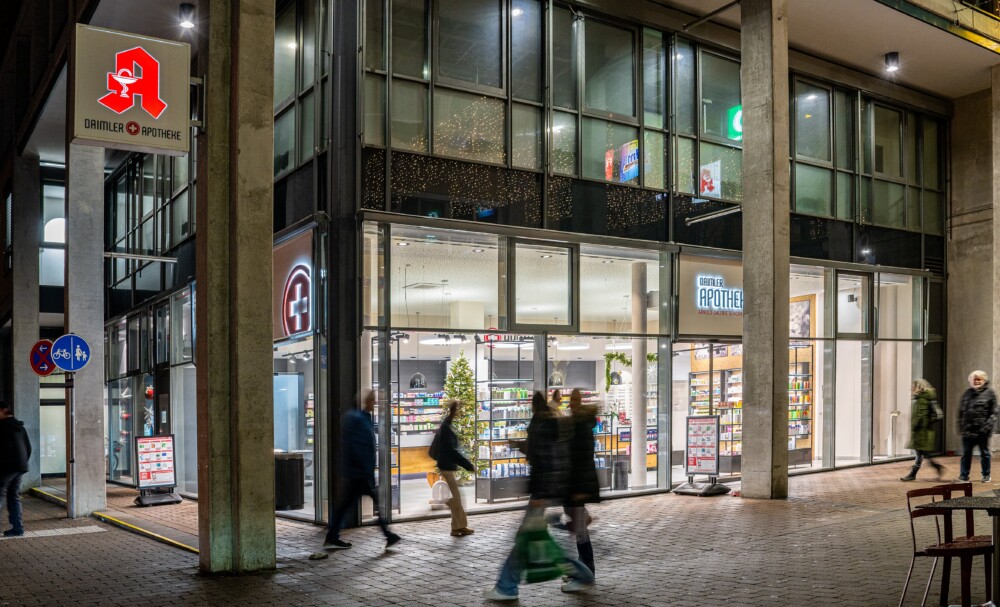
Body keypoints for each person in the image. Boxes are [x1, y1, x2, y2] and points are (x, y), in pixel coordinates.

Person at [485, 392, 594, 602]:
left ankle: (507, 586)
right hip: (554, 492)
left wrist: (541, 494)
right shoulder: (554, 424)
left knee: (526, 538)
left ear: (533, 406)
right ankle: (582, 574)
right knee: (532, 539)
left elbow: (546, 461)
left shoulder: (542, 426)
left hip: (543, 493)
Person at [324, 390, 401, 550]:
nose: (375, 403)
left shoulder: (362, 418)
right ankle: (388, 534)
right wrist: (365, 468)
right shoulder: (357, 418)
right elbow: (357, 446)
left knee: (345, 505)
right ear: (365, 401)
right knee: (371, 503)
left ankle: (333, 535)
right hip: (359, 472)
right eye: (372, 400)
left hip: (358, 472)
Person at [565, 389, 599, 575]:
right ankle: (583, 565)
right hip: (575, 482)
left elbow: (582, 457)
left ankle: (587, 569)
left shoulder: (580, 426)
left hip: (578, 483)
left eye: (574, 401)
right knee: (578, 526)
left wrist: (580, 488)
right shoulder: (579, 423)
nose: (571, 404)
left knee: (579, 529)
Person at [431, 399, 475, 537]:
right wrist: (467, 465)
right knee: (457, 499)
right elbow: (452, 452)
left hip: (446, 465)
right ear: (453, 411)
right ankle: (456, 522)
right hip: (447, 466)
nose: (458, 413)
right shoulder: (446, 429)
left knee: (457, 498)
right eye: (457, 410)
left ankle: (457, 527)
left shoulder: (446, 425)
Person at [958, 370, 999, 483]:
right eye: (974, 379)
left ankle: (986, 475)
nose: (976, 381)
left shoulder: (990, 393)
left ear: (984, 380)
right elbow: (961, 411)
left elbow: (995, 412)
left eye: (979, 379)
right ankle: (963, 475)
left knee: (985, 454)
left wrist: (987, 427)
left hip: (982, 431)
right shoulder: (967, 393)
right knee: (966, 454)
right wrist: (961, 427)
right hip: (968, 431)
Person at [900, 379, 944, 482]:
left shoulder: (924, 400)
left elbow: (932, 416)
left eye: (913, 387)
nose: (911, 389)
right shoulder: (920, 399)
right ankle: (935, 468)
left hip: (922, 433)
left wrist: (923, 424)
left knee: (921, 454)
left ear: (919, 387)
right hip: (919, 432)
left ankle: (913, 474)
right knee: (921, 454)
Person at [0, 402, 31, 537]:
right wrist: (22, 463)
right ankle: (18, 528)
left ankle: (18, 528)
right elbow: (28, 447)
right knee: (13, 496)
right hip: (20, 467)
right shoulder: (19, 427)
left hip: (6, 468)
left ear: (3, 410)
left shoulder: (2, 427)